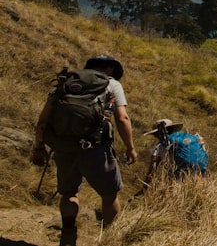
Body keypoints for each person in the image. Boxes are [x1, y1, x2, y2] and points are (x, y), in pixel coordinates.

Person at [30, 54, 138, 246]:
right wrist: (130, 147)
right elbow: (122, 119)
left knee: (69, 193)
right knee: (109, 194)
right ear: (111, 69)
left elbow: (43, 119)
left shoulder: (67, 82)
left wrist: (38, 147)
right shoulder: (111, 84)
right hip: (96, 148)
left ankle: (68, 235)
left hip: (64, 147)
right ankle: (111, 239)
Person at [140, 118, 208, 192]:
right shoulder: (191, 137)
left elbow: (153, 168)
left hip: (181, 171)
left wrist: (144, 189)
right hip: (200, 168)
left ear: (158, 134)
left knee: (173, 188)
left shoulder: (161, 145)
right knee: (195, 188)